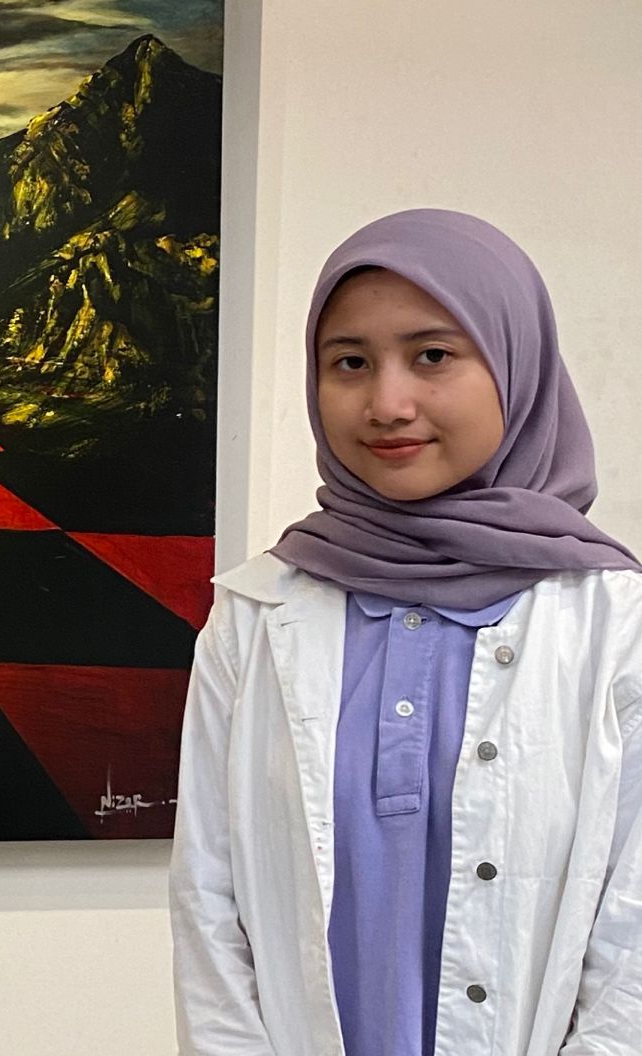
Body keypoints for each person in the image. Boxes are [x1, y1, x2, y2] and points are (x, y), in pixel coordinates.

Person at [169, 208, 642, 1056]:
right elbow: (209, 908)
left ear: (515, 364)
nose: (388, 405)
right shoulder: (254, 615)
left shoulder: (616, 624)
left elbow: (633, 943)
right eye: (350, 362)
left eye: (432, 356)